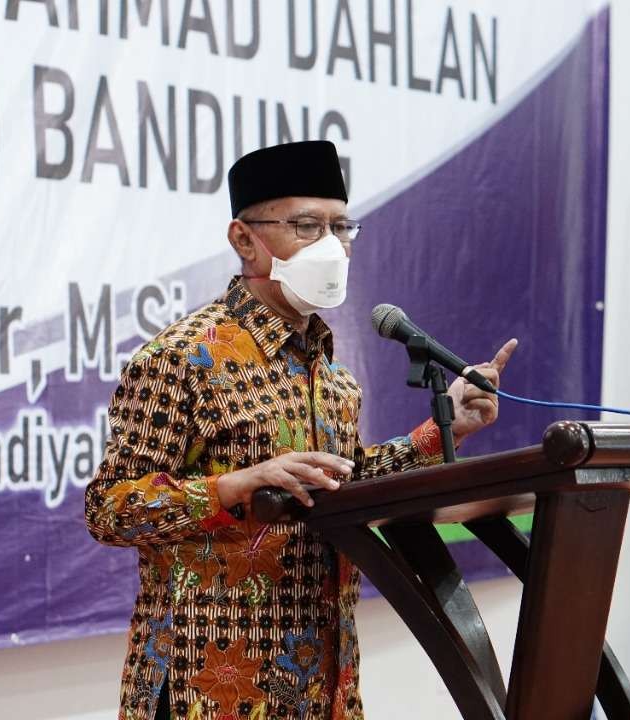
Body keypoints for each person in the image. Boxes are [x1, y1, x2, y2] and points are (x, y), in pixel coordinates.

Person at [85, 140, 516, 720]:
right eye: (307, 227)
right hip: (208, 689)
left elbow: (342, 484)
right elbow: (110, 509)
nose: (332, 247)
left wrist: (444, 431)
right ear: (244, 239)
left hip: (322, 683)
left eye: (342, 228)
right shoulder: (182, 359)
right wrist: (236, 486)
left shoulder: (334, 378)